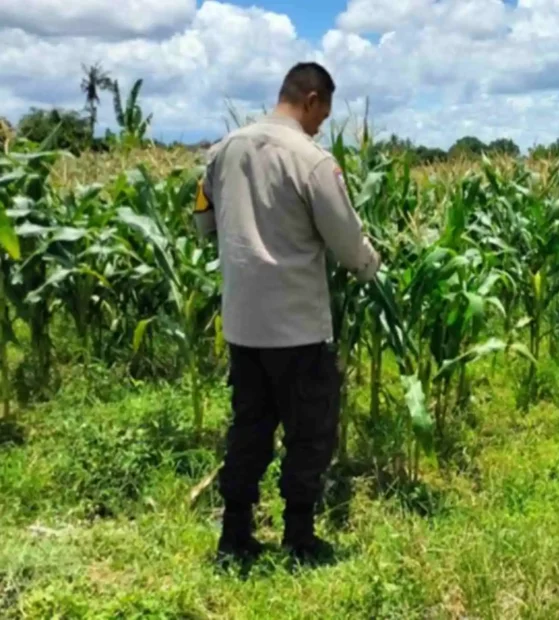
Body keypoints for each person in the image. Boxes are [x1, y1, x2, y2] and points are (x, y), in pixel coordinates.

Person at [194, 62, 380, 563]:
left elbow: (202, 222)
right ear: (312, 98)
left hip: (242, 324)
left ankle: (235, 537)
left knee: (249, 428)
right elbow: (347, 244)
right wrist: (371, 264)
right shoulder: (312, 160)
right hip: (297, 327)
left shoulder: (222, 152)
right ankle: (299, 538)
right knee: (309, 432)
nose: (321, 124)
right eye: (323, 113)